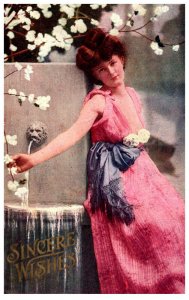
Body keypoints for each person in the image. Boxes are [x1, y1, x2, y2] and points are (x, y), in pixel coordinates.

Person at [7, 28, 185, 294]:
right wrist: (34, 158)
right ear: (95, 76)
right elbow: (71, 135)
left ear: (121, 59)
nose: (111, 72)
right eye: (102, 70)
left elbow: (138, 145)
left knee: (178, 217)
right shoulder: (99, 102)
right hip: (118, 183)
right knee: (148, 225)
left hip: (147, 176)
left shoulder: (134, 95)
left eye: (112, 63)